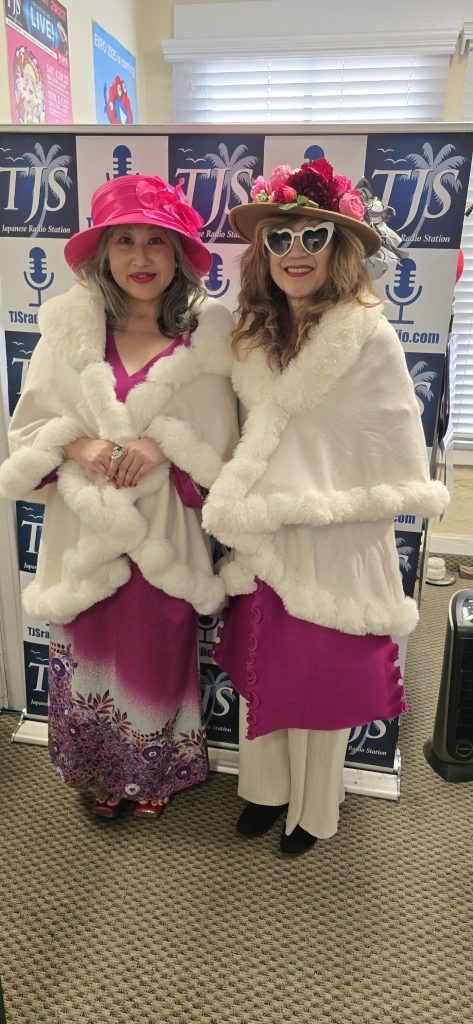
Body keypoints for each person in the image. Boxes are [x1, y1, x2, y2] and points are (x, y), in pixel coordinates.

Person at [202, 158, 450, 856]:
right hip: (264, 537)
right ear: (263, 253)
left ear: (338, 247)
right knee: (264, 670)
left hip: (332, 536)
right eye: (279, 238)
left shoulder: (369, 335)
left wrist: (330, 501)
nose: (296, 251)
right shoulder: (250, 333)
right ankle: (264, 792)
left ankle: (314, 809)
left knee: (319, 678)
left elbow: (388, 439)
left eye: (313, 236)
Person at [0, 174, 238, 818]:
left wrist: (165, 446)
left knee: (158, 650)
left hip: (162, 533)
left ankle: (153, 772)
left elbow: (225, 439)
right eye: (125, 241)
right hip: (87, 532)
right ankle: (100, 772)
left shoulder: (206, 338)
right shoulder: (69, 334)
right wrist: (80, 447)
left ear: (179, 254)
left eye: (156, 241)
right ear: (103, 253)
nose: (141, 257)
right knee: (89, 648)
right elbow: (29, 428)